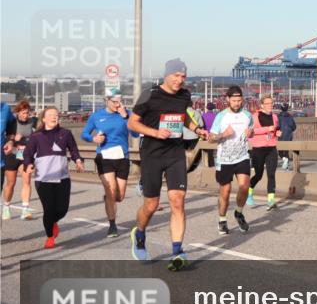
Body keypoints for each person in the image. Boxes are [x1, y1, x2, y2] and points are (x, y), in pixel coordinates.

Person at [127, 59, 207, 271]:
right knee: (151, 205)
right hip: (152, 154)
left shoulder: (184, 95)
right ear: (166, 75)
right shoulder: (149, 94)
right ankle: (140, 233)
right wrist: (154, 132)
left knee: (177, 201)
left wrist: (197, 129)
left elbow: (183, 119)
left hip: (175, 153)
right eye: (176, 76)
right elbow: (132, 123)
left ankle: (177, 251)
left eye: (183, 77)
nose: (180, 80)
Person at [22, 107, 84, 249]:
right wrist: (29, 164)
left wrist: (78, 161)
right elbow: (28, 154)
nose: (54, 117)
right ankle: (50, 236)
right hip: (43, 179)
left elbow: (74, 150)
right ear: (43, 119)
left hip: (62, 177)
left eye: (56, 115)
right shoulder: (36, 136)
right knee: (49, 210)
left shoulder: (66, 133)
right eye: (50, 115)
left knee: (62, 209)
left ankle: (52, 222)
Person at [81, 90, 135, 237]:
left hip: (122, 157)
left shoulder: (126, 113)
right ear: (107, 100)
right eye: (114, 102)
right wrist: (94, 140)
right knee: (111, 190)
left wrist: (126, 117)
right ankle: (112, 225)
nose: (118, 105)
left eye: (119, 101)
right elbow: (84, 134)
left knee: (120, 196)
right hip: (104, 157)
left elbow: (136, 134)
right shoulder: (97, 116)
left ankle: (109, 198)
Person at [206, 86, 254, 233]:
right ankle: (222, 220)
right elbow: (211, 139)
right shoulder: (221, 116)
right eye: (234, 100)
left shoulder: (247, 115)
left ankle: (238, 213)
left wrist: (251, 133)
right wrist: (223, 135)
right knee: (225, 192)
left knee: (245, 186)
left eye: (239, 100)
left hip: (242, 156)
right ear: (227, 99)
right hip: (224, 159)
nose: (237, 103)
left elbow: (251, 132)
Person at [3, 100, 36, 220]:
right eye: (22, 112)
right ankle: (6, 206)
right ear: (17, 112)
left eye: (27, 112)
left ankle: (25, 210)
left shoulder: (33, 122)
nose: (25, 115)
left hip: (25, 155)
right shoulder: (12, 123)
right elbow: (5, 135)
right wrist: (12, 138)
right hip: (12, 154)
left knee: (27, 180)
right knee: (11, 183)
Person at [248, 96, 281, 208]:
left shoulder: (275, 117)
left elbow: (275, 130)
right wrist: (267, 129)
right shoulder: (255, 116)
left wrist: (277, 133)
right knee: (258, 174)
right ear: (262, 105)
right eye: (267, 103)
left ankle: (270, 200)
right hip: (258, 148)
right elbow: (250, 132)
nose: (270, 105)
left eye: (271, 103)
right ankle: (249, 192)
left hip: (271, 148)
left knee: (271, 174)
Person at [277, 103, 297, 170]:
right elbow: (294, 127)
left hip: (281, 136)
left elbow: (277, 126)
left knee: (280, 151)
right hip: (289, 136)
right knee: (286, 151)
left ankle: (284, 160)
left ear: (281, 108)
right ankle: (286, 165)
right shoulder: (290, 117)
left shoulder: (278, 117)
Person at [201, 101, 219, 168]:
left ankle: (206, 164)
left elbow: (202, 125)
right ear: (213, 108)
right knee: (212, 151)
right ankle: (212, 164)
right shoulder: (216, 116)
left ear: (207, 108)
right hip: (213, 135)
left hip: (205, 135)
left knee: (206, 151)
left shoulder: (203, 115)